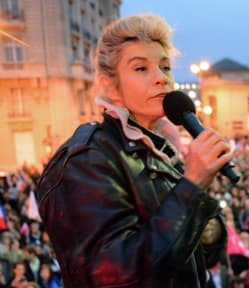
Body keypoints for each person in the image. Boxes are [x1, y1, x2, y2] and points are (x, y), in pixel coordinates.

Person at [36, 14, 232, 288]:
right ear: (109, 87)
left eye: (165, 67)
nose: (161, 79)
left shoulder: (157, 151)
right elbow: (118, 276)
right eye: (141, 68)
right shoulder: (86, 160)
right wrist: (191, 186)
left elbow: (194, 260)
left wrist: (209, 229)